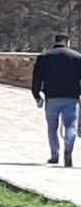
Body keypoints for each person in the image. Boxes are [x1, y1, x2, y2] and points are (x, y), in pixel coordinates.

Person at [32, 34, 81, 166]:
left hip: (52, 97)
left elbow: (37, 78)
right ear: (67, 42)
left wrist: (36, 95)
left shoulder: (44, 57)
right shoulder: (76, 57)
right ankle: (68, 151)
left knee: (52, 127)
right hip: (71, 97)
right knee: (71, 125)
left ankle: (55, 155)